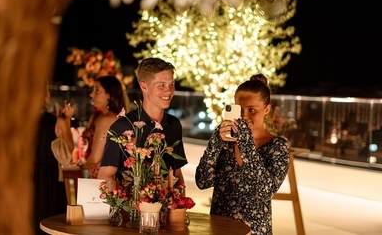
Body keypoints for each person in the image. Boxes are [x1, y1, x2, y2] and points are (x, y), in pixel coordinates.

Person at [195, 74, 290, 235]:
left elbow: (265, 192)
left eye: (252, 110)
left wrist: (245, 143)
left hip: (254, 232)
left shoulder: (277, 146)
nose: (244, 116)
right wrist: (215, 143)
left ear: (266, 109)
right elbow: (203, 182)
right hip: (219, 229)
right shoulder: (225, 144)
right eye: (240, 109)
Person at [98, 58, 187, 189]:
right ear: (144, 86)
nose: (169, 90)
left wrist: (180, 207)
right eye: (161, 85)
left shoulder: (174, 125)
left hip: (166, 207)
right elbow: (105, 176)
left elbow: (177, 174)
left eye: (171, 84)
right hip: (130, 208)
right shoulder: (122, 127)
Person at [33, 84, 68, 235]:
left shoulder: (18, 120)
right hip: (48, 178)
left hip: (28, 175)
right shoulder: (53, 121)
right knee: (48, 219)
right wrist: (65, 122)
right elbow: (66, 155)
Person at [79, 75, 130, 178]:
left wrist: (78, 168)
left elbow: (95, 159)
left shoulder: (106, 120)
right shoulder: (97, 116)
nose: (91, 94)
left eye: (97, 90)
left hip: (102, 178)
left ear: (110, 95)